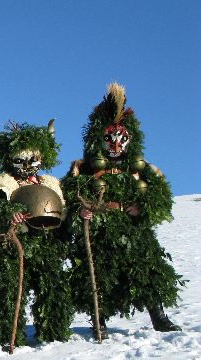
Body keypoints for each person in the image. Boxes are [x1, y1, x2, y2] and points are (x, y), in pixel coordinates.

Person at [62, 83, 183, 333]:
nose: (116, 146)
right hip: (100, 230)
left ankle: (159, 317)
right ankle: (99, 321)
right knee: (98, 273)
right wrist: (81, 211)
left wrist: (143, 206)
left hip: (133, 229)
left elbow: (161, 196)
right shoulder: (83, 169)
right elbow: (69, 196)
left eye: (121, 139)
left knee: (147, 268)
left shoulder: (141, 168)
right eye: (109, 139)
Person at [0, 120, 73, 348]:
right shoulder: (0, 183)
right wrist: (7, 215)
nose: (27, 165)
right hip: (13, 245)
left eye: (33, 160)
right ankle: (8, 335)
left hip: (46, 244)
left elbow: (63, 211)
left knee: (50, 287)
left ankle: (52, 332)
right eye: (20, 160)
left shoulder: (50, 183)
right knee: (9, 290)